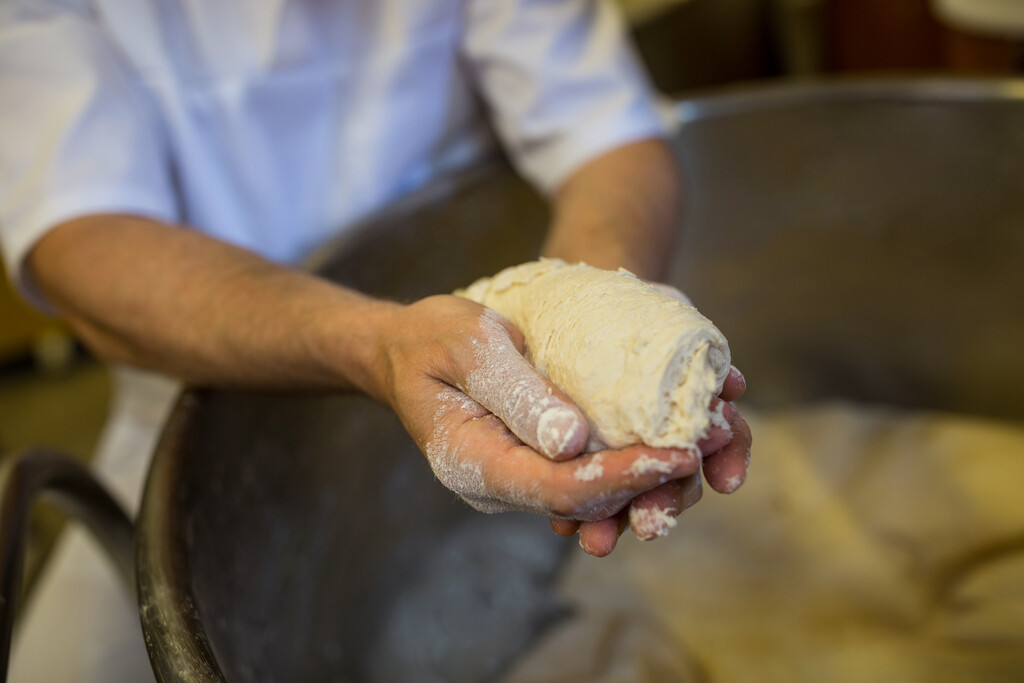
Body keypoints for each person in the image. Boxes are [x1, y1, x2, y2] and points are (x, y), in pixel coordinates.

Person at [0, 0, 752, 679]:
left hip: (492, 352)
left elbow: (608, 136)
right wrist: (380, 343)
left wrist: (599, 327)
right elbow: (83, 243)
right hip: (193, 390)